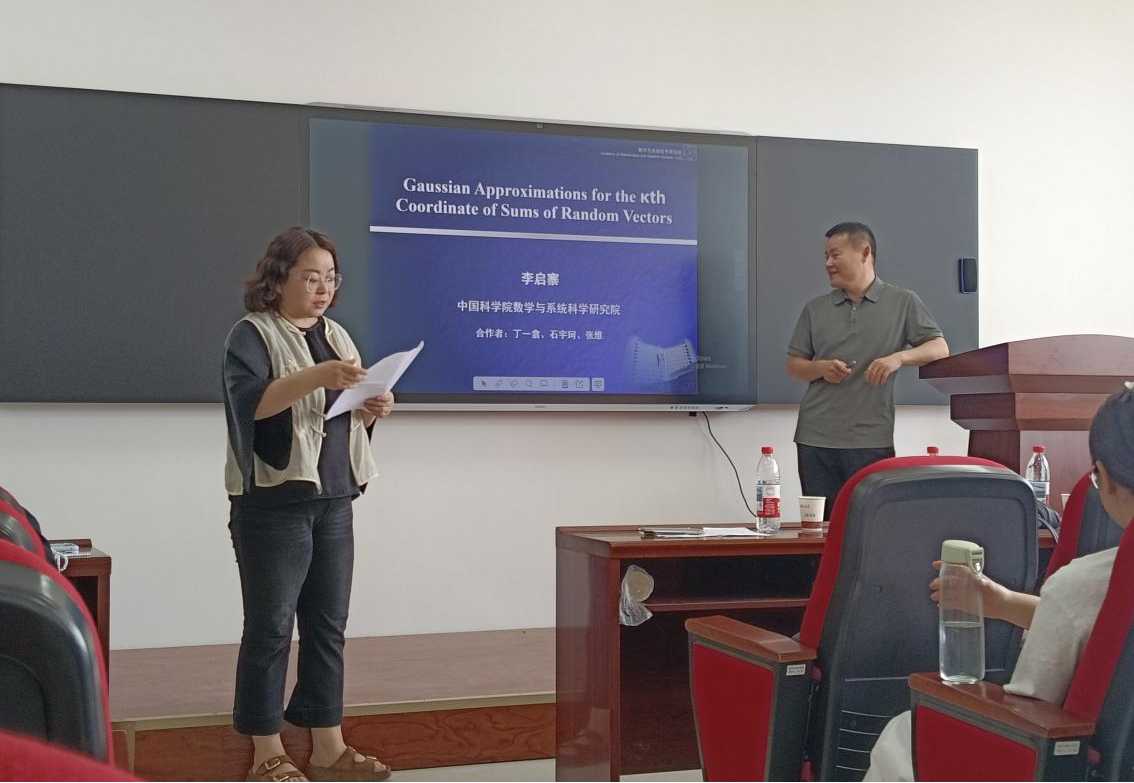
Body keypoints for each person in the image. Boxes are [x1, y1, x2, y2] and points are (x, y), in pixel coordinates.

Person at [864, 383, 1134, 781]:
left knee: (904, 734)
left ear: (1105, 478)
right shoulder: (1103, 586)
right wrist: (1004, 603)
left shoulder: (1082, 583)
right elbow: (1105, 627)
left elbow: (1030, 708)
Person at [223, 227, 395, 783]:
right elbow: (252, 406)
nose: (324, 289)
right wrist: (318, 376)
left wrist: (373, 405)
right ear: (279, 280)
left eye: (331, 278)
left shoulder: (337, 335)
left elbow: (340, 416)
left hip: (334, 497)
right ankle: (266, 752)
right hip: (273, 502)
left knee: (328, 626)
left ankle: (328, 748)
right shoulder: (251, 335)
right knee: (271, 628)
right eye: (311, 277)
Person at [786, 222, 950, 518]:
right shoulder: (815, 309)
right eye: (826, 256)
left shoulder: (903, 301)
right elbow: (794, 366)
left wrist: (898, 358)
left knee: (871, 524)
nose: (828, 263)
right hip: (815, 438)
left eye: (835, 255)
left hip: (870, 439)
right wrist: (821, 368)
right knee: (821, 529)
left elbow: (939, 348)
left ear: (865, 252)